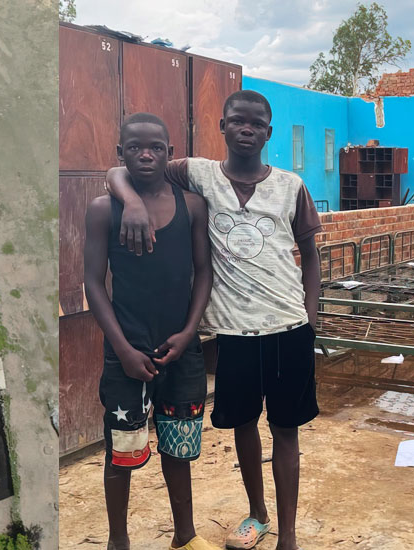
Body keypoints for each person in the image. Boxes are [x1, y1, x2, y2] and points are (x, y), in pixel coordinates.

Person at [108, 89, 323, 550]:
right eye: (237, 121)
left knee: (285, 430)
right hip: (235, 333)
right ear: (222, 126)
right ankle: (257, 515)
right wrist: (130, 201)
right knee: (243, 425)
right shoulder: (198, 174)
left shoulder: (291, 185)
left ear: (269, 132)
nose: (247, 129)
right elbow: (120, 168)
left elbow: (310, 254)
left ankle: (288, 535)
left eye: (257, 123)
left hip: (288, 328)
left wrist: (310, 312)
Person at [84, 112, 220, 550]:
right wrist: (121, 348)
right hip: (127, 352)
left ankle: (185, 535)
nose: (146, 154)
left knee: (179, 451)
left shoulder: (193, 206)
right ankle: (117, 540)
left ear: (170, 154)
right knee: (120, 453)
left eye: (156, 147)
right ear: (119, 153)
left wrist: (190, 332)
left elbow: (204, 273)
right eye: (136, 147)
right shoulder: (104, 210)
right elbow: (92, 283)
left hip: (182, 350)